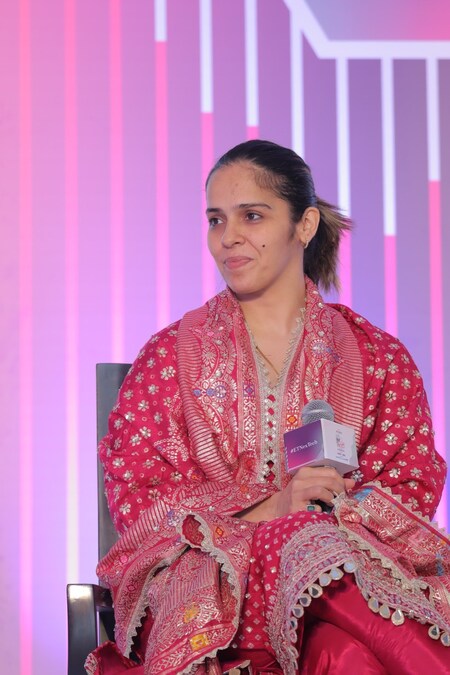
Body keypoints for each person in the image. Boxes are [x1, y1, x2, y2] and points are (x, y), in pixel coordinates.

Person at [86, 140, 450, 675]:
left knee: (341, 654)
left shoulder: (378, 358)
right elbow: (139, 502)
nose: (228, 236)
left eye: (251, 216)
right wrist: (274, 510)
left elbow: (412, 484)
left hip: (342, 597)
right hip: (209, 593)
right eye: (216, 219)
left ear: (305, 225)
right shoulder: (168, 358)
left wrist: (331, 511)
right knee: (302, 538)